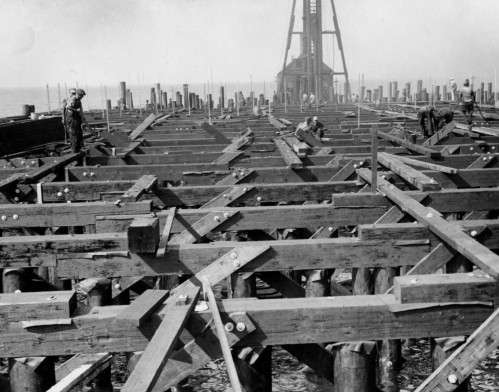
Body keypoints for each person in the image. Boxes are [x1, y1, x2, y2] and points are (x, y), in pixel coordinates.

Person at [65, 88, 86, 152]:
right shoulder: (73, 99)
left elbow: (80, 110)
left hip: (76, 118)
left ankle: (78, 148)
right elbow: (67, 107)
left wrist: (82, 117)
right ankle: (74, 149)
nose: (82, 97)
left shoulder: (78, 100)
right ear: (77, 94)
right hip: (71, 118)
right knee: (73, 133)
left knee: (79, 133)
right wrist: (76, 110)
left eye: (82, 96)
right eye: (81, 96)